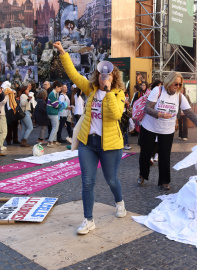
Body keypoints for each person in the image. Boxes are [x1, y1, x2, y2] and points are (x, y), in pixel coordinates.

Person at [54, 41, 127, 235]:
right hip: (89, 143)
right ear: (98, 75)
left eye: (108, 74)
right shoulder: (91, 90)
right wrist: (63, 53)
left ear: (114, 76)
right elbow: (74, 75)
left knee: (111, 180)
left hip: (110, 145)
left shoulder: (119, 94)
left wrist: (108, 91)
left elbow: (116, 114)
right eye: (102, 74)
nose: (105, 77)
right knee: (87, 182)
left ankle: (119, 202)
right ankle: (88, 220)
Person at [138, 71, 197, 190]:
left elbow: (189, 112)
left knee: (165, 156)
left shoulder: (180, 96)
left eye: (179, 84)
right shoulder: (158, 91)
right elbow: (147, 108)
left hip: (167, 129)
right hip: (149, 127)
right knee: (145, 154)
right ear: (169, 82)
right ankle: (142, 175)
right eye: (175, 84)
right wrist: (159, 114)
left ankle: (164, 181)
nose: (177, 86)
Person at [46, 80, 62, 147]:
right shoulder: (53, 94)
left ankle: (54, 141)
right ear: (56, 87)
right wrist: (61, 105)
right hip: (52, 113)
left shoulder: (54, 93)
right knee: (55, 127)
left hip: (52, 112)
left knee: (55, 127)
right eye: (60, 88)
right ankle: (50, 142)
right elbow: (55, 104)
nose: (60, 90)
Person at [0, 84, 8, 153]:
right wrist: (6, 95)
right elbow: (3, 102)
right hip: (1, 115)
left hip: (1, 114)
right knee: (4, 131)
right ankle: (0, 145)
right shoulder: (2, 96)